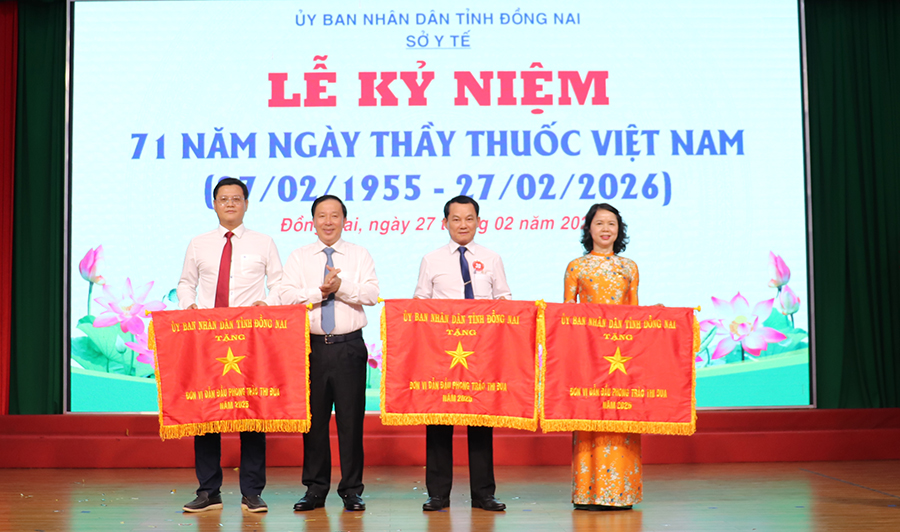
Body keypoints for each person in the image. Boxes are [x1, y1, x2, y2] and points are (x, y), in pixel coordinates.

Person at [177, 177, 283, 513]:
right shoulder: (199, 244)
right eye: (224, 199)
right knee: (207, 412)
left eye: (237, 198)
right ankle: (209, 491)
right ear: (214, 204)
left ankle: (252, 492)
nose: (230, 204)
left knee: (251, 413)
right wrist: (188, 306)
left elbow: (280, 283)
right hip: (208, 339)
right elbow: (186, 283)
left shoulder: (264, 242)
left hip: (250, 339)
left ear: (246, 204)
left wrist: (268, 303)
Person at [279, 195, 379, 512]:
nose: (328, 221)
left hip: (349, 347)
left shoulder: (359, 254)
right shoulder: (299, 257)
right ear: (313, 221)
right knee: (314, 423)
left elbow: (372, 294)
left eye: (335, 215)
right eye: (322, 215)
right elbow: (285, 296)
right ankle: (315, 489)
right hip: (311, 348)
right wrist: (319, 292)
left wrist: (341, 287)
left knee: (351, 422)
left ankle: (351, 490)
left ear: (344, 220)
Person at [413, 195, 511, 512]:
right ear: (445, 223)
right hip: (442, 355)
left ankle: (483, 494)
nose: (463, 225)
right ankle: (438, 494)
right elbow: (420, 304)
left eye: (469, 218)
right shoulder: (431, 260)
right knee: (439, 421)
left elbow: (504, 300)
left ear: (478, 222)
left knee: (480, 421)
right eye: (456, 219)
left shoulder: (492, 258)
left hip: (481, 354)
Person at [563, 203, 641, 511]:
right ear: (589, 229)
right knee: (589, 414)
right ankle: (587, 493)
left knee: (621, 414)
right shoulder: (576, 267)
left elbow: (634, 314)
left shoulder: (629, 267)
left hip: (621, 353)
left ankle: (621, 494)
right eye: (599, 223)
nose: (606, 229)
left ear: (619, 230)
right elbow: (566, 315)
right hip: (588, 354)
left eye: (611, 223)